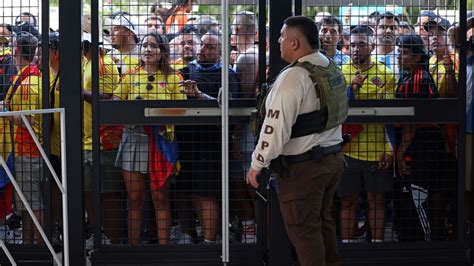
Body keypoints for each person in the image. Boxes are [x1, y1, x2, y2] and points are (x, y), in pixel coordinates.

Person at [246, 16, 347, 265]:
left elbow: (275, 128)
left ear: (293, 43)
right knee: (322, 225)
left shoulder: (294, 76)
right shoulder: (328, 66)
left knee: (304, 233)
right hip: (331, 159)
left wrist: (257, 164)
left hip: (304, 168)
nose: (278, 41)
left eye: (281, 37)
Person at [178, 31, 240, 243]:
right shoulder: (187, 69)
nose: (203, 50)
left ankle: (210, 242)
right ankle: (200, 234)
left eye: (210, 47)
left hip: (211, 143)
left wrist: (199, 96)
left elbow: (230, 106)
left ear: (221, 52)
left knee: (207, 192)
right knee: (193, 189)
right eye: (202, 45)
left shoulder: (227, 74)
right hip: (187, 142)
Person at [339, 26, 396, 243]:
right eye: (352, 45)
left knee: (377, 201)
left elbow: (390, 118)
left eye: (361, 44)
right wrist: (350, 90)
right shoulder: (339, 73)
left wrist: (389, 150)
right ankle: (347, 247)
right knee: (347, 201)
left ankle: (378, 246)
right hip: (346, 150)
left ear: (372, 46)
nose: (356, 49)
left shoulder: (386, 74)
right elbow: (333, 110)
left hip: (376, 150)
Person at [393, 35, 446, 241]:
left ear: (417, 57)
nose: (399, 57)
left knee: (418, 195)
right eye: (399, 52)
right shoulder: (414, 76)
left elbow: (412, 122)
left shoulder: (417, 80)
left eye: (404, 53)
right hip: (421, 142)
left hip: (421, 145)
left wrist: (401, 152)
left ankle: (422, 240)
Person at [81, 15, 122, 247]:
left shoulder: (104, 65)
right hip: (85, 139)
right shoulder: (86, 62)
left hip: (104, 141)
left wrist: (78, 92)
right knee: (88, 192)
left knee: (108, 196)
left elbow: (106, 100)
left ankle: (112, 242)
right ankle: (98, 235)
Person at [4, 31, 43, 244]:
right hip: (22, 150)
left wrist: (5, 113)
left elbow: (27, 119)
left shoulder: (30, 82)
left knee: (33, 204)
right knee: (26, 203)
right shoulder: (25, 75)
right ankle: (29, 244)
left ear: (17, 50)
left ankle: (40, 245)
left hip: (30, 151)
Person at [230, 10, 259, 243]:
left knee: (247, 182)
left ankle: (253, 232)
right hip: (260, 131)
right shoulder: (261, 54)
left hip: (248, 133)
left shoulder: (246, 58)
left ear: (237, 30)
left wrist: (235, 137)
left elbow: (245, 101)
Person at [375, 12, 400, 77]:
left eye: (393, 28)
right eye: (383, 27)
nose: (388, 31)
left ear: (398, 31)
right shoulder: (369, 56)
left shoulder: (404, 55)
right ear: (376, 30)